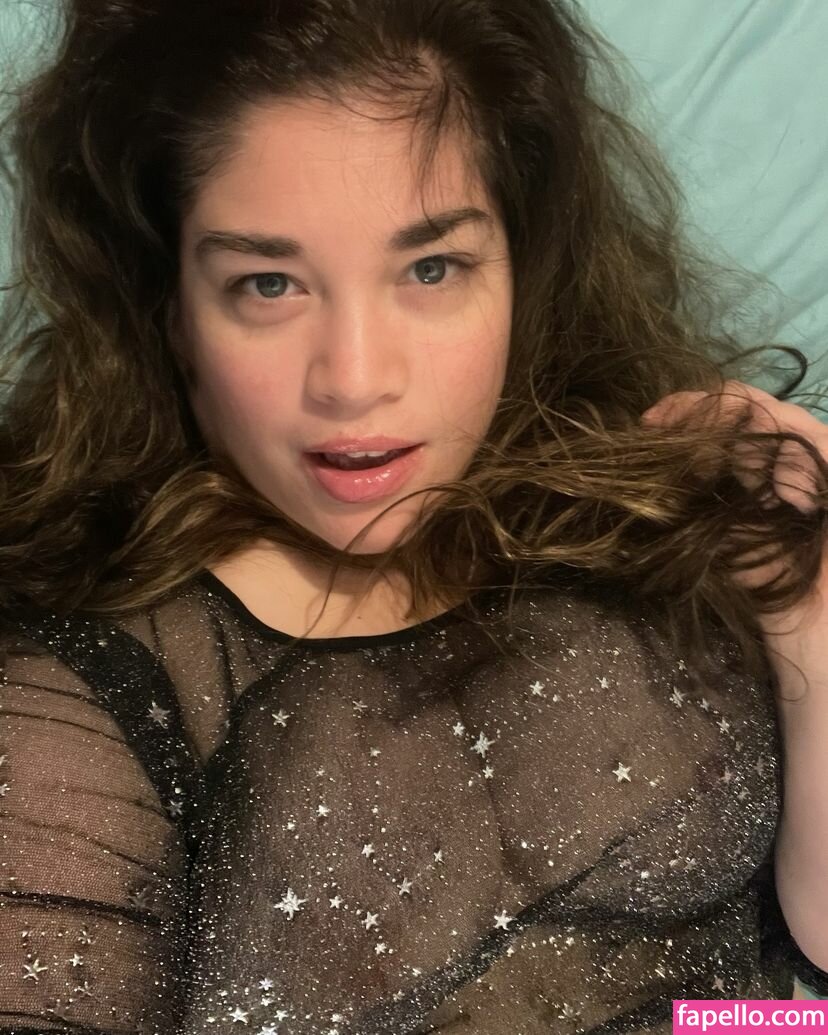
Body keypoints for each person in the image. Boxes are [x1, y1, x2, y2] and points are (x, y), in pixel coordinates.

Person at [0, 0, 826, 1032]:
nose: (354, 380)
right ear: (172, 315)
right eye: (268, 283)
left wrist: (814, 620)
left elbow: (787, 988)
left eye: (430, 269)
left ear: (522, 270)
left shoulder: (658, 514)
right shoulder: (80, 690)